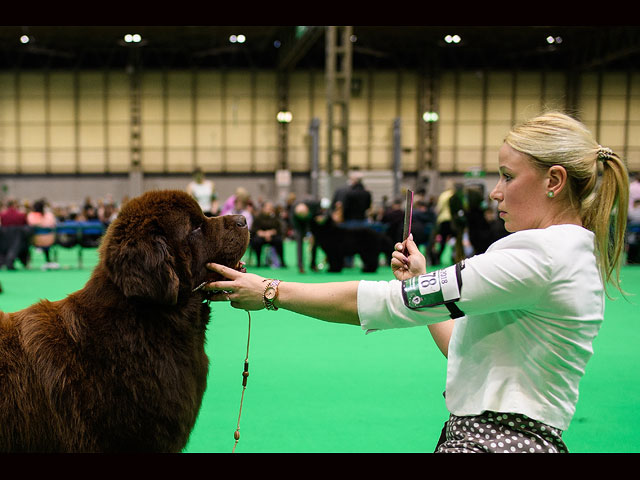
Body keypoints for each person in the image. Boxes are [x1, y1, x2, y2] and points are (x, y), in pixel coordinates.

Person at [202, 111, 629, 453]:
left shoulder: (540, 254)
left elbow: (387, 302)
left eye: (507, 176)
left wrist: (272, 291)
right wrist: (424, 282)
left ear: (554, 180)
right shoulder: (571, 251)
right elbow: (464, 347)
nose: (495, 192)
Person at [250, 201, 286, 268]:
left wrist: (270, 233)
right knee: (256, 241)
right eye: (268, 208)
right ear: (263, 208)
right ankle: (258, 262)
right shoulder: (258, 217)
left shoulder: (274, 217)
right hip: (261, 236)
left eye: (271, 208)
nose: (269, 209)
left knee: (279, 240)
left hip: (272, 236)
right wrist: (264, 234)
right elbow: (254, 230)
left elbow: (278, 229)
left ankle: (282, 261)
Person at [26, 198, 59, 270]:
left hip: (35, 240)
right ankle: (48, 260)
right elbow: (54, 225)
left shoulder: (30, 216)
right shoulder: (50, 215)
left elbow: (30, 225)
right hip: (50, 240)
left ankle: (27, 262)